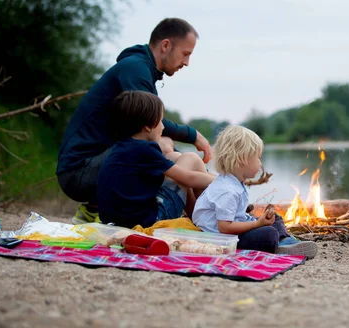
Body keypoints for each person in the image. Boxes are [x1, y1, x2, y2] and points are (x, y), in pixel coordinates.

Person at [56, 18, 212, 224]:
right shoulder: (135, 69)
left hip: (97, 166)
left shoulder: (140, 68)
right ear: (166, 45)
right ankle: (206, 218)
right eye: (186, 54)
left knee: (166, 148)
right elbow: (153, 122)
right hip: (78, 173)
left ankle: (200, 218)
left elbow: (153, 124)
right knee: (161, 146)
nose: (186, 62)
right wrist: (192, 135)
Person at [193, 125, 318, 259]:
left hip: (231, 229)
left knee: (276, 218)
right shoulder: (227, 190)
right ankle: (280, 243)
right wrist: (257, 224)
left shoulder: (234, 182)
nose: (260, 163)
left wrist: (258, 222)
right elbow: (224, 227)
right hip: (221, 238)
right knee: (268, 234)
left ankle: (285, 242)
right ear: (242, 159)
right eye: (258, 158)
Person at [96, 90, 216, 228]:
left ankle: (199, 221)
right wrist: (226, 180)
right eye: (160, 121)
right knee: (192, 159)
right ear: (148, 126)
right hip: (148, 222)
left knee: (175, 157)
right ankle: (209, 222)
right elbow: (189, 178)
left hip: (116, 222)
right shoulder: (144, 149)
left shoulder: (122, 147)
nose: (163, 126)